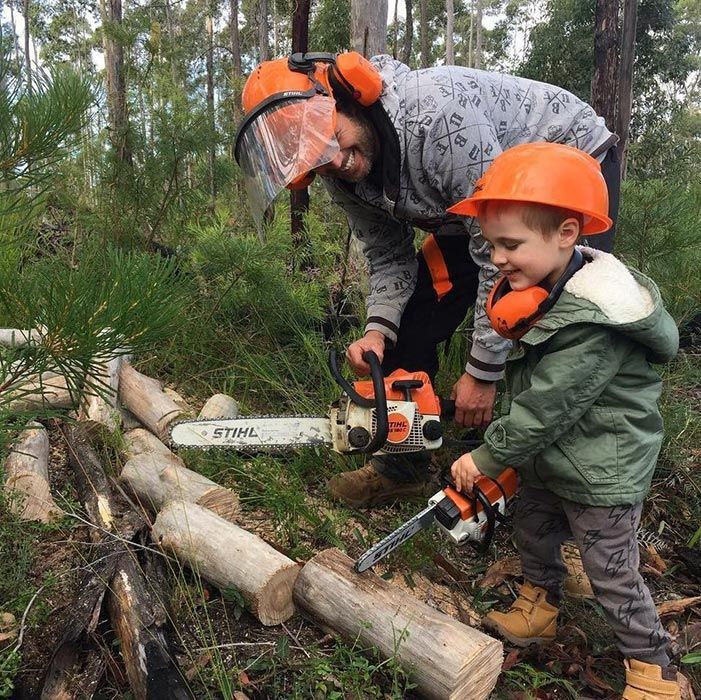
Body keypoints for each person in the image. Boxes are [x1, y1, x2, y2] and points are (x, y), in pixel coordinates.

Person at [234, 51, 621, 507]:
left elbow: (493, 255)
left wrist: (482, 371)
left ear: (352, 98)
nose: (334, 161)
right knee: (413, 320)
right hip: (471, 211)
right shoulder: (342, 178)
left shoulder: (435, 116)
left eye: (332, 137)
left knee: (558, 331)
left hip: (567, 173)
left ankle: (577, 506)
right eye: (315, 158)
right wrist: (377, 331)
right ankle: (402, 465)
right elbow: (388, 256)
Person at [448, 142, 680, 699]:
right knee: (533, 525)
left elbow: (548, 405)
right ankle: (540, 604)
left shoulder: (594, 320)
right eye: (491, 244)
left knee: (611, 572)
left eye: (511, 245)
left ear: (567, 235)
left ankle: (655, 670)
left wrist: (487, 455)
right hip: (553, 457)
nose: (498, 259)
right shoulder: (545, 291)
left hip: (602, 467)